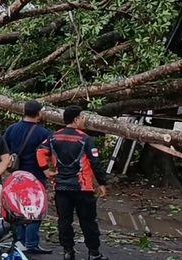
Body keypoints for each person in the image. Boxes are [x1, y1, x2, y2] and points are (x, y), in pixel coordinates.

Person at [37, 106, 108, 260]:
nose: (84, 120)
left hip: (61, 187)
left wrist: (46, 171)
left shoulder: (53, 137)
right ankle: (94, 253)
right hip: (82, 187)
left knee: (64, 221)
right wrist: (102, 183)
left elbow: (40, 152)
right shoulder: (85, 139)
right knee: (88, 221)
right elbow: (95, 162)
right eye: (82, 117)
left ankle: (68, 251)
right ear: (76, 119)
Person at [3, 100, 52, 255]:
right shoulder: (43, 133)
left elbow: (5, 151)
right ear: (38, 113)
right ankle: (31, 243)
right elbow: (47, 155)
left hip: (16, 176)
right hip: (36, 177)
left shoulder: (12, 129)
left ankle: (19, 241)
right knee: (36, 208)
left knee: (17, 208)